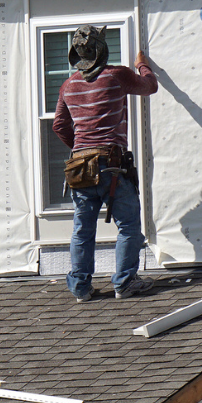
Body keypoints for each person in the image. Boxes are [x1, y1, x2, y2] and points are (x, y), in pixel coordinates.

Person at [52, 24, 158, 302]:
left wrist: (81, 149)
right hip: (112, 165)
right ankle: (124, 283)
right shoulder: (117, 75)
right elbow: (151, 87)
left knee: (83, 229)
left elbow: (59, 126)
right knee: (128, 225)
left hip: (79, 167)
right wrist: (142, 66)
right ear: (101, 50)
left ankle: (81, 288)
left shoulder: (68, 85)